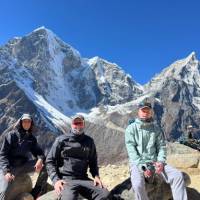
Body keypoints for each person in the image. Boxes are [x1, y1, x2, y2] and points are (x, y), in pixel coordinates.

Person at [125, 100, 188, 200]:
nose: (145, 113)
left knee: (177, 176)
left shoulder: (156, 129)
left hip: (155, 162)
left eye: (147, 111)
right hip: (138, 163)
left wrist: (160, 161)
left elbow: (161, 147)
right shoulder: (131, 129)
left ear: (151, 112)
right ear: (139, 112)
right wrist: (143, 167)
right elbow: (131, 150)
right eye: (143, 110)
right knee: (137, 185)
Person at [46, 115, 110, 200]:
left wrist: (96, 176)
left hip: (83, 178)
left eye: (80, 123)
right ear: (72, 124)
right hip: (66, 180)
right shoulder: (61, 140)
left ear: (83, 125)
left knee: (105, 194)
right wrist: (56, 180)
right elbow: (50, 161)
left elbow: (93, 161)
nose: (78, 126)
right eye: (75, 123)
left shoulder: (89, 141)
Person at [0, 113, 48, 199]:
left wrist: (40, 159)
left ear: (31, 124)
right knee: (4, 192)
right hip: (10, 167)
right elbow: (3, 155)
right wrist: (7, 171)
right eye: (24, 121)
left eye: (29, 121)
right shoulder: (11, 135)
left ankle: (36, 192)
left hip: (23, 165)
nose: (26, 123)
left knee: (46, 165)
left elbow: (39, 152)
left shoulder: (31, 138)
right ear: (20, 123)